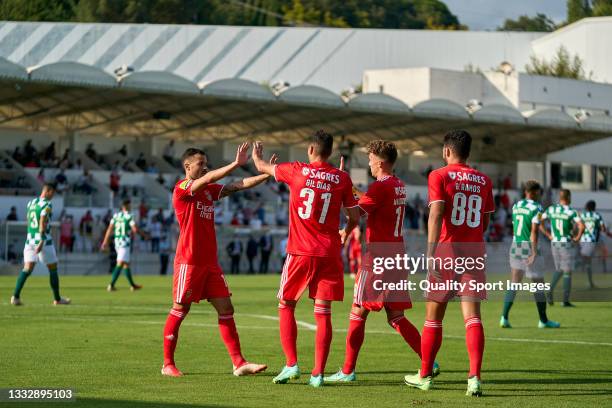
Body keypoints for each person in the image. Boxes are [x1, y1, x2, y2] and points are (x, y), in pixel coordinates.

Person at [251, 131, 360, 387]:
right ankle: (318, 373)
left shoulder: (297, 170)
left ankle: (291, 365)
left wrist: (258, 158)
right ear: (330, 152)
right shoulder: (341, 178)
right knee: (323, 313)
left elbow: (262, 167)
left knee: (286, 304)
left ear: (311, 149)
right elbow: (355, 217)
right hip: (329, 253)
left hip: (301, 251)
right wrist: (345, 232)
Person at [161, 143, 273, 377]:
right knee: (180, 309)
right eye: (200, 164)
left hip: (210, 263)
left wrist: (267, 174)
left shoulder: (208, 191)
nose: (204, 168)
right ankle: (167, 364)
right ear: (187, 166)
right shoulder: (182, 188)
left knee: (226, 308)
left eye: (205, 164)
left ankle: (238, 363)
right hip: (189, 262)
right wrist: (235, 163)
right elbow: (212, 177)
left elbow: (236, 186)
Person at [326, 140, 429, 383]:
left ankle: (348, 371)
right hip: (396, 256)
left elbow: (355, 212)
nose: (369, 163)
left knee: (357, 312)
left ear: (380, 162)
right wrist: (349, 185)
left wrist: (341, 187)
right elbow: (369, 199)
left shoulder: (380, 187)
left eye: (371, 159)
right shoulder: (397, 185)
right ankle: (428, 361)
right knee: (396, 317)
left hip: (378, 259)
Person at [404, 130, 494, 396]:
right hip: (474, 252)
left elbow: (436, 213)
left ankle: (425, 375)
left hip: (447, 252)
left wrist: (430, 252)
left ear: (446, 151)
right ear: (468, 152)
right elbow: (485, 222)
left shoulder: (439, 175)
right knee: (473, 317)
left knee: (433, 319)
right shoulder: (484, 180)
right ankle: (474, 378)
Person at [500, 180, 560, 329]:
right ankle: (543, 320)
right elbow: (534, 231)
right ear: (533, 192)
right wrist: (533, 252)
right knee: (538, 285)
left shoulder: (516, 206)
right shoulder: (538, 207)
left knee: (514, 282)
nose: (540, 194)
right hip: (529, 247)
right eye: (539, 192)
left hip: (516, 245)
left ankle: (504, 318)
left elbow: (515, 228)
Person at [11, 182, 70, 306]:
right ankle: (57, 299)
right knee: (53, 268)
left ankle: (15, 297)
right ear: (48, 191)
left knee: (27, 268)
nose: (53, 196)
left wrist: (32, 238)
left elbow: (29, 220)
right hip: (44, 240)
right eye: (53, 193)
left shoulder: (31, 203)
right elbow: (42, 222)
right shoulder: (47, 204)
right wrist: (42, 240)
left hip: (30, 240)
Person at [540, 189, 585, 307]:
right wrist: (577, 237)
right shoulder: (571, 211)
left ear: (560, 198)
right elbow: (582, 226)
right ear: (569, 197)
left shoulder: (551, 209)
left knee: (560, 269)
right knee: (567, 271)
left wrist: (548, 234)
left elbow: (539, 221)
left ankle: (549, 291)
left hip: (554, 242)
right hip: (566, 243)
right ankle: (565, 300)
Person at [101, 200, 149, 291]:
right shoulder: (129, 216)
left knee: (126, 264)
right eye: (129, 205)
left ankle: (133, 285)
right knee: (120, 262)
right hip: (125, 242)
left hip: (117, 242)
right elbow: (134, 229)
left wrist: (105, 241)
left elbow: (109, 229)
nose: (130, 206)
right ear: (126, 206)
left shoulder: (116, 216)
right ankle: (111, 285)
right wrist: (144, 235)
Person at [579, 200, 608, 289]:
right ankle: (570, 266)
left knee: (586, 260)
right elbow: (603, 228)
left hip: (582, 240)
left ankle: (590, 282)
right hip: (591, 240)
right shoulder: (597, 215)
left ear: (586, 206)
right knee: (585, 259)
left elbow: (578, 226)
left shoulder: (582, 215)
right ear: (594, 207)